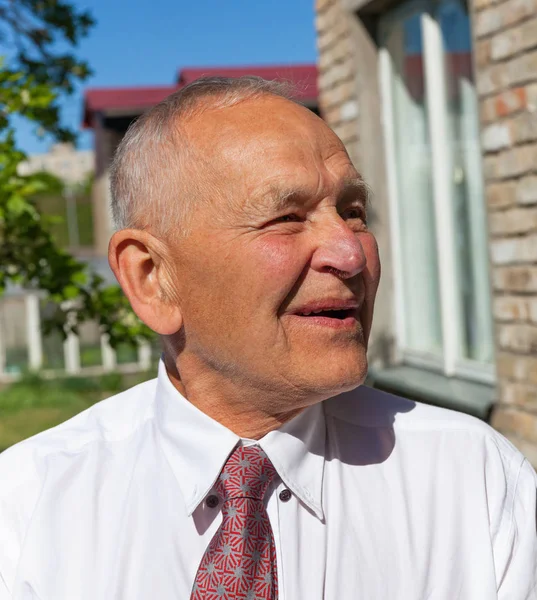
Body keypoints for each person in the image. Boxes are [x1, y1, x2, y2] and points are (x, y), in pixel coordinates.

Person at [0, 77, 535, 600]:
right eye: (285, 217)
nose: (349, 254)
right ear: (151, 278)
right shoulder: (29, 508)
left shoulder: (474, 479)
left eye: (352, 212)